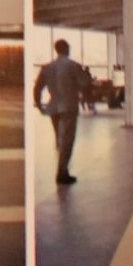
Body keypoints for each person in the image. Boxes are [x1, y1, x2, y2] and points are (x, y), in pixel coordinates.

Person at [33, 39, 93, 185]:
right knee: (67, 140)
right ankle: (62, 172)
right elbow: (86, 82)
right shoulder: (73, 66)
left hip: (53, 108)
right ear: (67, 49)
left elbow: (37, 88)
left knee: (60, 139)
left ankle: (62, 169)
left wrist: (39, 105)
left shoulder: (47, 68)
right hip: (69, 107)